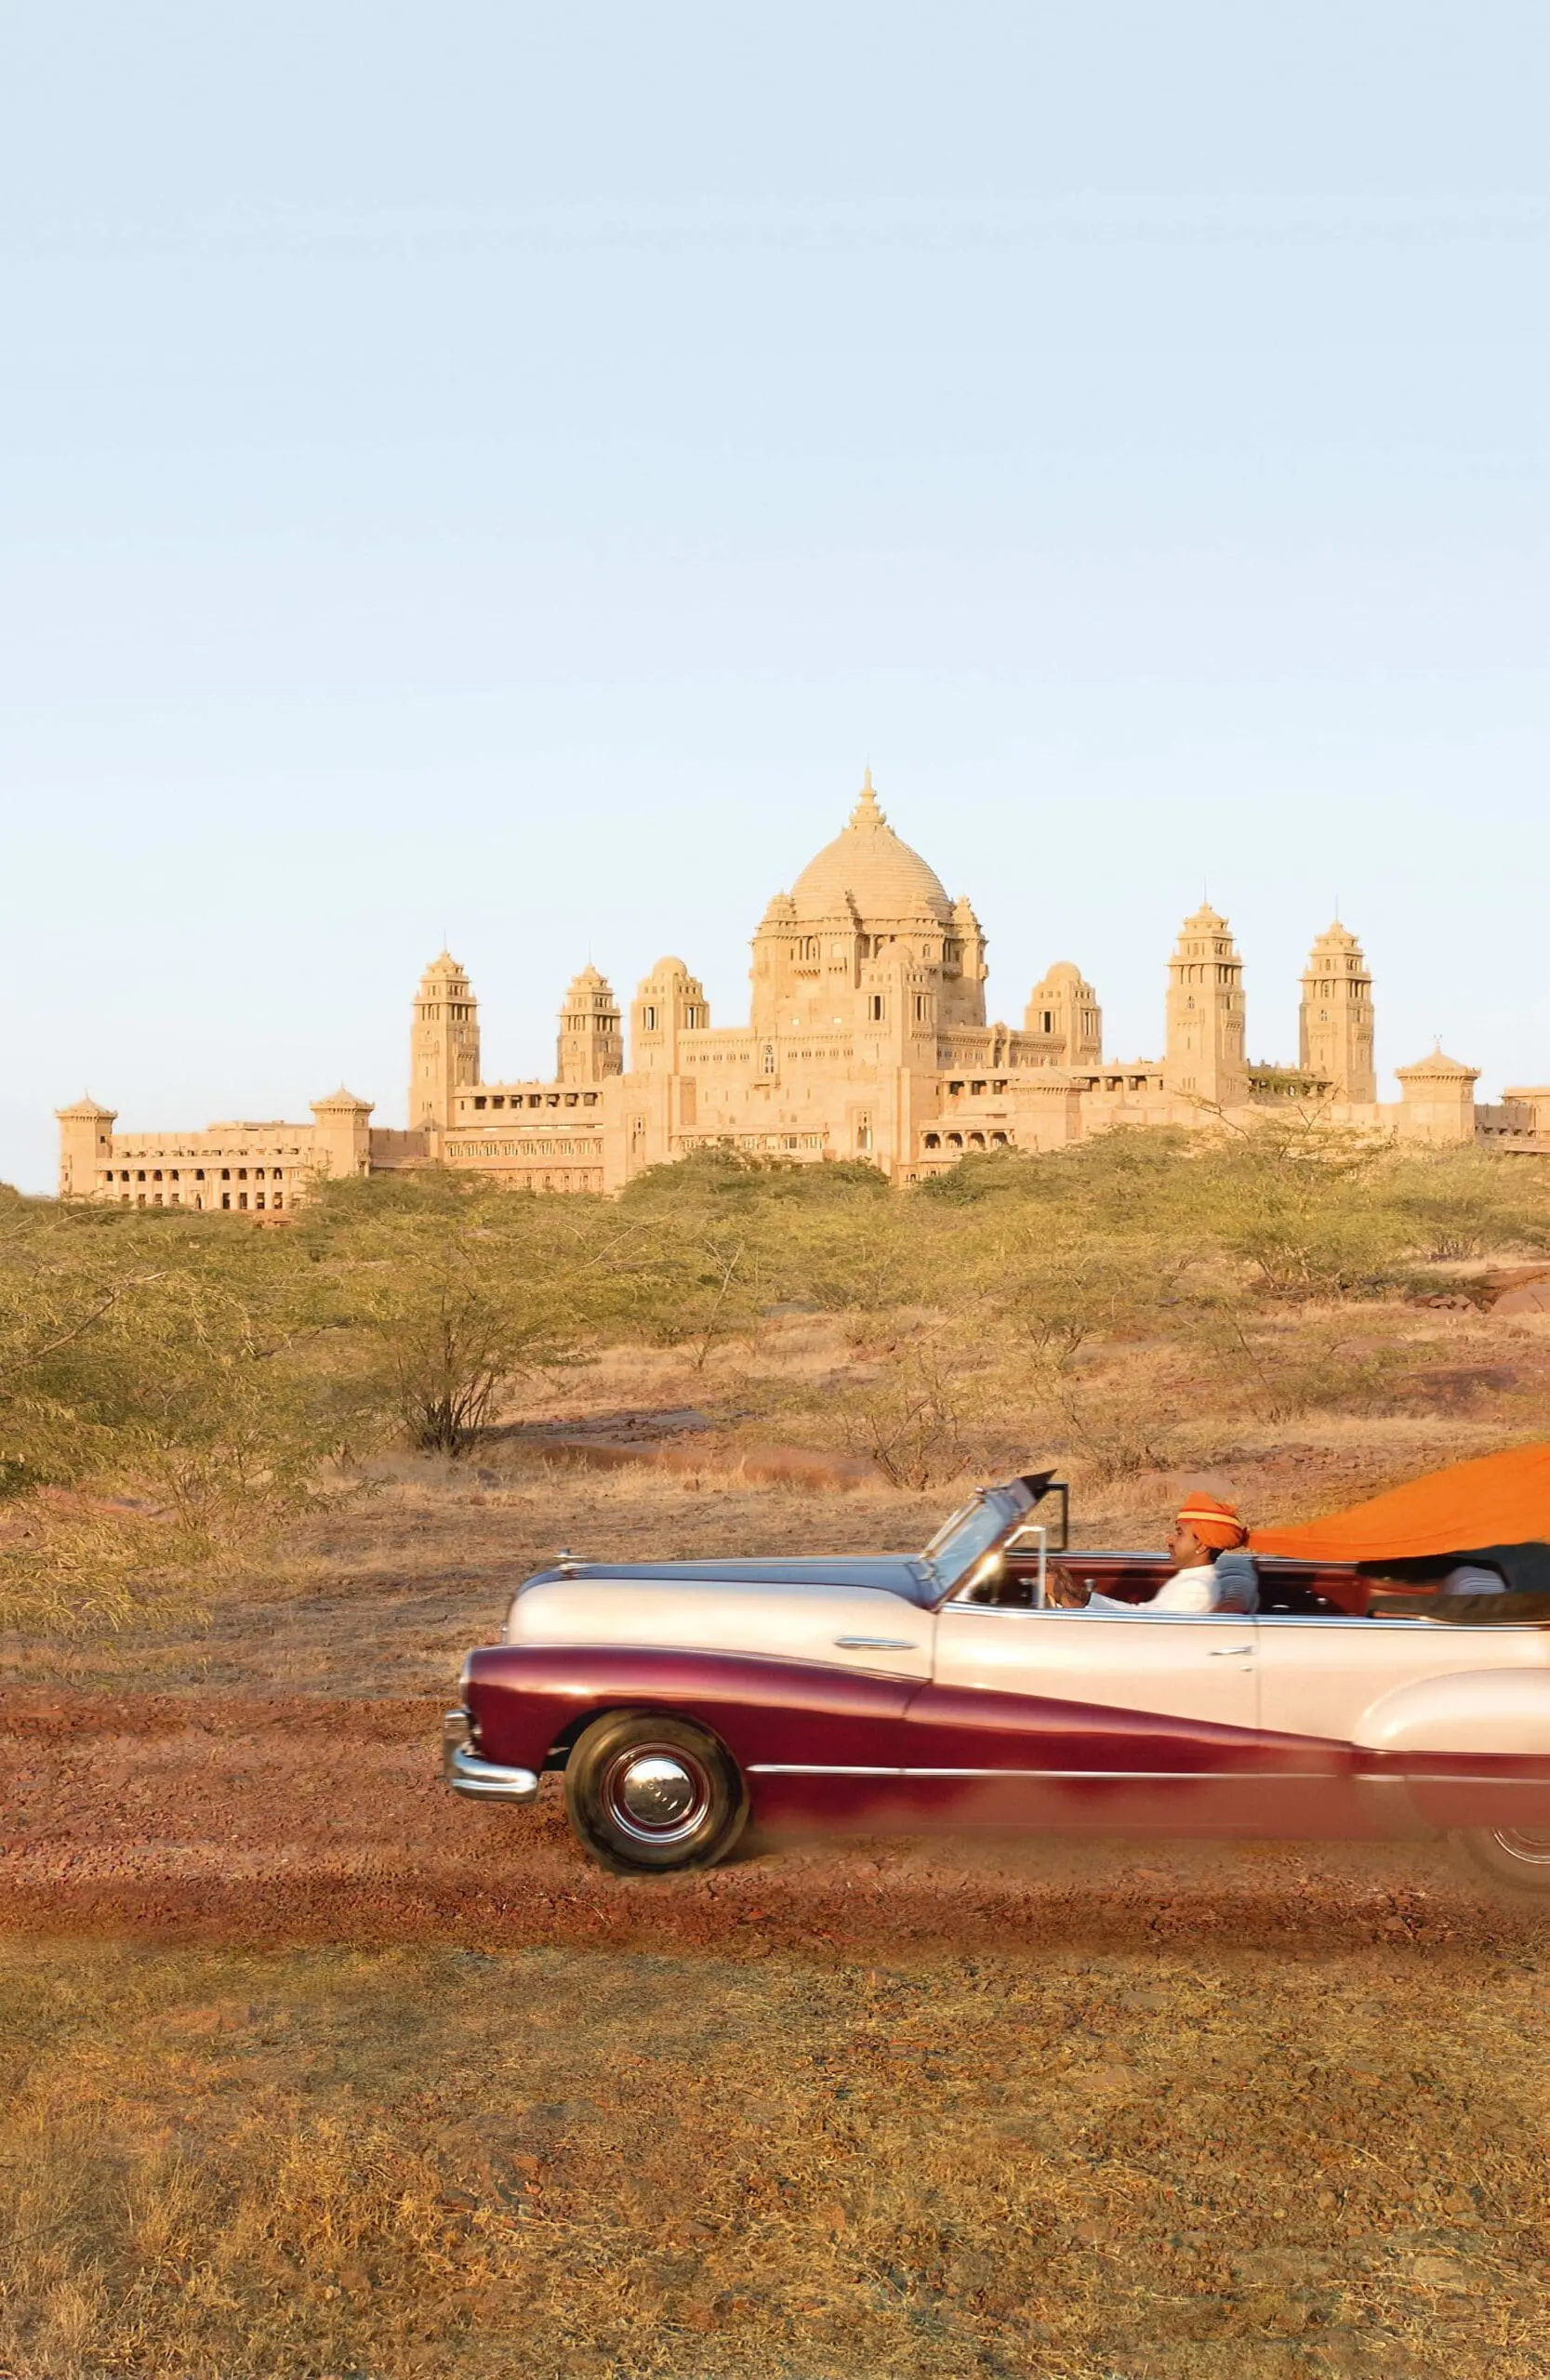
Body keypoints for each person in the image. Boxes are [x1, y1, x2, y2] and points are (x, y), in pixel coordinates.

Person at [1048, 1493, 1251, 1612]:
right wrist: (1079, 1594)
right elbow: (1140, 1614)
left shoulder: (1196, 1590)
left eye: (1179, 1533)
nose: (1169, 1539)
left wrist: (1066, 1599)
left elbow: (1139, 1631)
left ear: (1202, 1546)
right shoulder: (1192, 1581)